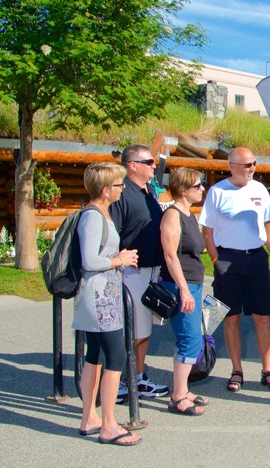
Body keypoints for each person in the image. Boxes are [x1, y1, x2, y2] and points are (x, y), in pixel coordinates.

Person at [199, 147, 270, 393]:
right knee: (231, 316)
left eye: (253, 163)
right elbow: (208, 232)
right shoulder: (217, 192)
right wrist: (217, 262)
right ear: (232, 166)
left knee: (263, 317)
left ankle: (267, 370)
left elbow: (266, 225)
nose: (252, 168)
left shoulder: (259, 189)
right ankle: (237, 370)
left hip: (256, 258)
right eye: (247, 165)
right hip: (228, 259)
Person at [73, 162, 142, 446]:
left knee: (96, 355)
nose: (123, 188)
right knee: (116, 356)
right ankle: (109, 424)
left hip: (102, 296)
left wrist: (116, 256)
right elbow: (90, 261)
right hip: (100, 299)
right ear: (105, 190)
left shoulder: (102, 213)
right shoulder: (93, 217)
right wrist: (120, 260)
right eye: (118, 185)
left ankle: (90, 417)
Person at [108, 144, 169, 401]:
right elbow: (114, 234)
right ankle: (121, 379)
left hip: (152, 271)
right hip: (131, 271)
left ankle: (139, 377)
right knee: (132, 331)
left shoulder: (148, 191)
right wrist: (118, 264)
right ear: (132, 165)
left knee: (144, 331)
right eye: (148, 162)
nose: (154, 166)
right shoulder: (122, 194)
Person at [157, 167, 208, 416]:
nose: (202, 189)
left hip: (193, 284)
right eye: (198, 185)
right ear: (184, 189)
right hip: (180, 286)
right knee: (189, 338)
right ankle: (177, 397)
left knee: (192, 337)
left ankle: (184, 389)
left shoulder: (189, 214)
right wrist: (184, 290)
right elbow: (169, 255)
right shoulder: (172, 215)